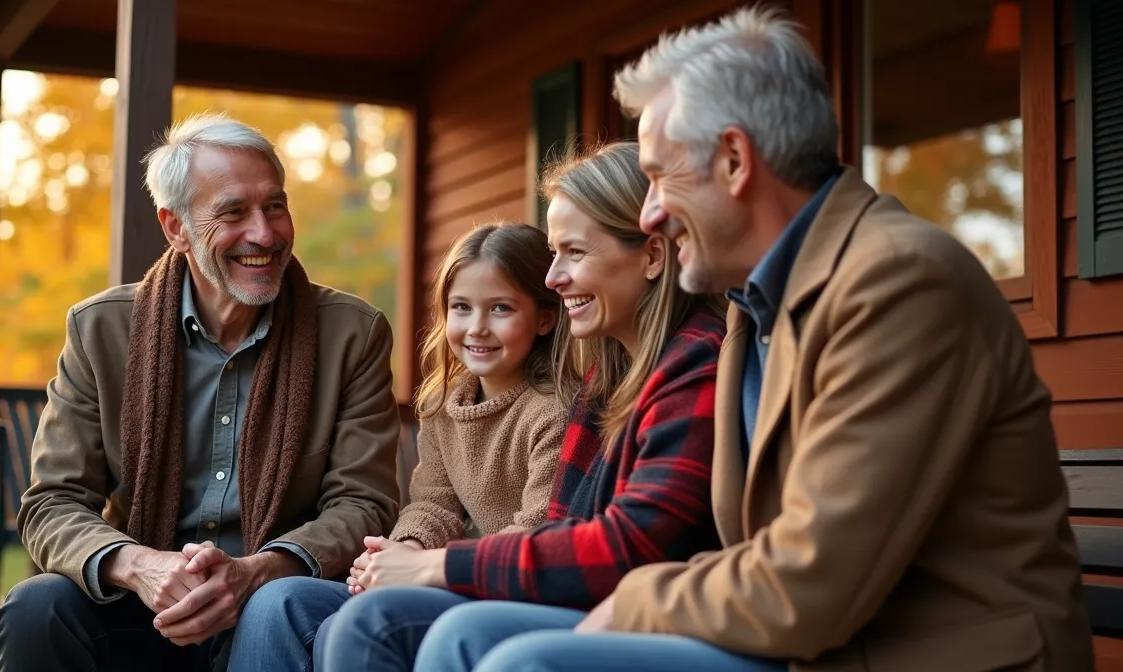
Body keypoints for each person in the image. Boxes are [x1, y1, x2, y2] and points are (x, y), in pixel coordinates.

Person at [425, 7, 1095, 672]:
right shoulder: (757, 309)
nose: (652, 212)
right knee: (470, 641)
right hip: (814, 641)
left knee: (526, 664)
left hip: (927, 654)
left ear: (735, 161)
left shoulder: (896, 284)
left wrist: (636, 599)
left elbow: (811, 583)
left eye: (660, 175)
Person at [0, 112, 403, 672]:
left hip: (273, 603)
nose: (264, 233)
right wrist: (140, 567)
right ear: (176, 227)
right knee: (38, 606)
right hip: (143, 604)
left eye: (275, 206)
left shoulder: (351, 333)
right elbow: (51, 503)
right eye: (233, 212)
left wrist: (255, 571)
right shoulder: (101, 329)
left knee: (275, 608)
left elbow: (365, 505)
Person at [312, 140, 728, 672]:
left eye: (574, 252)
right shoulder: (609, 373)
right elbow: (563, 522)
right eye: (554, 254)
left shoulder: (694, 364)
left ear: (651, 255)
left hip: (660, 608)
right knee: (309, 609)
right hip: (583, 592)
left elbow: (629, 544)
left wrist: (436, 565)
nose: (555, 278)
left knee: (419, 628)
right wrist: (406, 551)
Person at [225, 221, 569, 670]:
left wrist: (425, 568)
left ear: (544, 317)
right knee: (280, 600)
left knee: (345, 624)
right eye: (461, 307)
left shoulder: (554, 412)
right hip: (446, 572)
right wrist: (403, 548)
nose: (477, 327)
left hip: (502, 585)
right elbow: (433, 505)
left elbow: (538, 528)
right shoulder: (446, 404)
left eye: (501, 308)